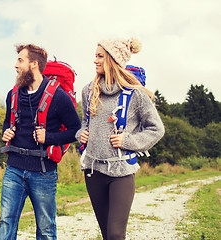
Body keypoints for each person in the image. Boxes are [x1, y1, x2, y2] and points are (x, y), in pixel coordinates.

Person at [76, 38, 165, 240]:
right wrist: (80, 134)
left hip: (121, 173)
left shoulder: (136, 94)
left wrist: (128, 141)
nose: (95, 60)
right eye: (95, 55)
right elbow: (84, 124)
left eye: (100, 56)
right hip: (93, 171)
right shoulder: (88, 91)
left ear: (112, 59)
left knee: (116, 234)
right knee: (107, 233)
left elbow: (156, 129)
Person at [0, 44, 81, 240]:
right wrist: (6, 133)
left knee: (45, 227)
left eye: (20, 60)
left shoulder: (59, 96)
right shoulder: (13, 95)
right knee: (5, 222)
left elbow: (76, 131)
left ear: (34, 64)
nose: (15, 65)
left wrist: (49, 138)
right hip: (13, 169)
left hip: (44, 171)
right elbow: (5, 123)